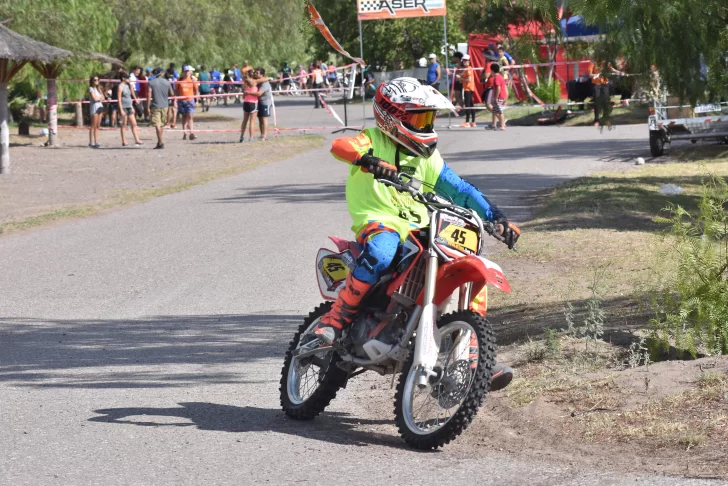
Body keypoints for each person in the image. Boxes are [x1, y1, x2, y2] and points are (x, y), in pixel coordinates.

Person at [312, 77, 519, 387]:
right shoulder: (372, 139)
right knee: (382, 251)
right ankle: (336, 318)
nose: (425, 125)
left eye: (428, 118)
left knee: (468, 270)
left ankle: (471, 357)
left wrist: (496, 217)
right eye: (418, 118)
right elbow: (340, 145)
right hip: (380, 219)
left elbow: (460, 189)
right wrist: (368, 160)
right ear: (391, 116)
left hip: (421, 225)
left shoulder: (429, 158)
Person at [147, 67, 174, 149]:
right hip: (165, 106)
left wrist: (148, 106)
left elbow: (149, 95)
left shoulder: (151, 83)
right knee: (161, 125)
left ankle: (161, 142)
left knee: (157, 125)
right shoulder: (167, 82)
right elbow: (172, 93)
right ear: (161, 73)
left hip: (156, 106)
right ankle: (159, 142)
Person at [117, 72, 143, 146]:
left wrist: (132, 105)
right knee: (124, 124)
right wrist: (121, 109)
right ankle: (124, 140)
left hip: (129, 106)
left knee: (134, 123)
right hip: (124, 107)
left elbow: (131, 96)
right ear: (123, 78)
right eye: (127, 78)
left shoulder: (129, 86)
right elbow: (119, 98)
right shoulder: (120, 86)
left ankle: (137, 139)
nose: (129, 79)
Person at [176, 65, 199, 140]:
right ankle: (184, 133)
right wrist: (175, 100)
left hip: (190, 100)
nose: (186, 73)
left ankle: (191, 133)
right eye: (185, 71)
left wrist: (197, 100)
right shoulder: (179, 79)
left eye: (188, 71)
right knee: (184, 117)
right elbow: (177, 90)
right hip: (182, 100)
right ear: (183, 72)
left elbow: (196, 91)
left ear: (190, 72)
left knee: (190, 116)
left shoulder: (193, 80)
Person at [240, 70, 259, 142]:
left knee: (244, 121)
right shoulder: (255, 82)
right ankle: (251, 137)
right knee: (252, 121)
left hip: (246, 102)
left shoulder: (245, 83)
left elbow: (243, 95)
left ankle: (241, 136)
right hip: (253, 103)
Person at [589, 60, 610, 127]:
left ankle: (606, 119)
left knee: (606, 101)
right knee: (597, 102)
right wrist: (597, 75)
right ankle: (596, 120)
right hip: (596, 85)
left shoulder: (606, 63)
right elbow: (590, 75)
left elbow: (612, 70)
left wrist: (620, 72)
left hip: (605, 84)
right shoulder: (592, 63)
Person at [255, 68, 273, 141]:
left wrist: (249, 93)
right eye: (255, 73)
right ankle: (262, 134)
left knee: (264, 118)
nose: (255, 74)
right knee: (260, 119)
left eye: (257, 73)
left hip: (265, 103)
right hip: (259, 102)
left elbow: (259, 93)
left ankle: (265, 135)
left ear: (261, 74)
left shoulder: (265, 83)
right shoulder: (259, 81)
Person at [88, 75, 105, 148]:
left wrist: (100, 98)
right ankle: (91, 142)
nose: (96, 81)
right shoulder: (91, 89)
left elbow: (103, 98)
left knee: (98, 125)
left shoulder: (99, 89)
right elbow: (95, 99)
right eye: (95, 80)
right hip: (94, 108)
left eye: (97, 80)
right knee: (93, 125)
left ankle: (96, 141)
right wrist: (99, 98)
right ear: (92, 81)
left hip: (100, 107)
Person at [459, 54, 476, 127]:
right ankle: (473, 122)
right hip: (467, 88)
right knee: (471, 105)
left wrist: (461, 78)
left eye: (466, 60)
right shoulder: (465, 69)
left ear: (469, 61)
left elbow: (468, 80)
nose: (464, 62)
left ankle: (467, 122)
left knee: (468, 105)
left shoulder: (469, 68)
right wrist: (460, 78)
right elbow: (461, 80)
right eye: (463, 60)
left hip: (468, 89)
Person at [489, 63, 508, 130]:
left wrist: (496, 97)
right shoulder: (500, 76)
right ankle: (500, 123)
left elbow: (498, 88)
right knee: (495, 110)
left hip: (499, 97)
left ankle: (502, 125)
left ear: (492, 70)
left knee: (500, 111)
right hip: (501, 96)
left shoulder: (496, 78)